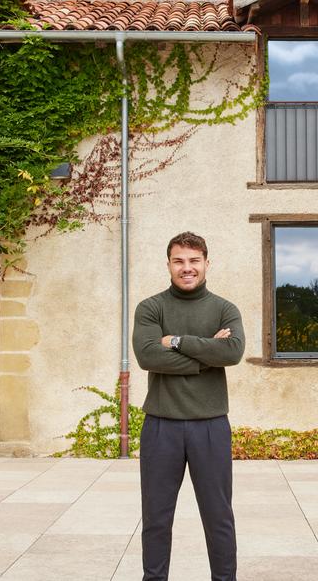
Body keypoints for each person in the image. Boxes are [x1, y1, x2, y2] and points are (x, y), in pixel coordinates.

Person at [133, 231, 244, 581]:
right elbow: (148, 356)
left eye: (194, 261)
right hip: (160, 426)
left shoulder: (225, 309)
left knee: (218, 517)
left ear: (207, 264)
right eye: (179, 261)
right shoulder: (151, 307)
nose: (187, 268)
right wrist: (206, 354)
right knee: (156, 518)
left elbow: (232, 352)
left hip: (210, 426)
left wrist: (177, 342)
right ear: (168, 265)